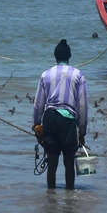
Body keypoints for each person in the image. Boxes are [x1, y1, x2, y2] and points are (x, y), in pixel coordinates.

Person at [32, 39, 89, 190]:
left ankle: (51, 197)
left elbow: (38, 104)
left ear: (55, 57)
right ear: (69, 56)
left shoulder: (45, 75)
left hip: (50, 118)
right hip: (67, 120)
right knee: (69, 162)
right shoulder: (78, 75)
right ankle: (70, 196)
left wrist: (36, 125)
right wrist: (82, 132)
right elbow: (82, 106)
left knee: (52, 162)